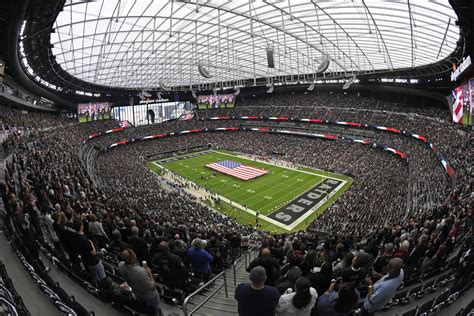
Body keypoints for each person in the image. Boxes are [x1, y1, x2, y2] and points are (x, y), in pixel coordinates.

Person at [118, 249, 163, 316]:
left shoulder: (120, 265)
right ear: (133, 258)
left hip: (137, 292)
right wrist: (149, 272)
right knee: (156, 309)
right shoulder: (140, 272)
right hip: (149, 295)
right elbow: (152, 287)